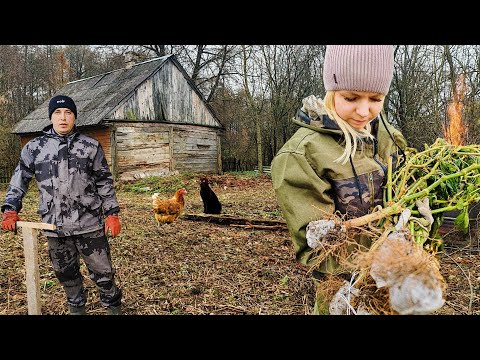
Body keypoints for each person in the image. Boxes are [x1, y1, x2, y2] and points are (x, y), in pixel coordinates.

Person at [270, 45, 408, 315]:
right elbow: (316, 249)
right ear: (331, 91)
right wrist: (373, 266)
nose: (364, 111)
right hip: (345, 293)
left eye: (376, 99)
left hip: (394, 284)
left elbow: (406, 195)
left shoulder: (389, 137)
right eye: (351, 97)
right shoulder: (303, 155)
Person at [1, 94, 123, 315]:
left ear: (75, 117)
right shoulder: (35, 148)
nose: (63, 118)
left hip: (90, 225)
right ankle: (77, 309)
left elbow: (104, 181)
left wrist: (112, 213)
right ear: (51, 117)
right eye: (58, 113)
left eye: (68, 112)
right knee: (66, 274)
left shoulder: (91, 146)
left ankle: (113, 307)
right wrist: (10, 209)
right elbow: (19, 180)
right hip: (55, 227)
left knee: (103, 273)